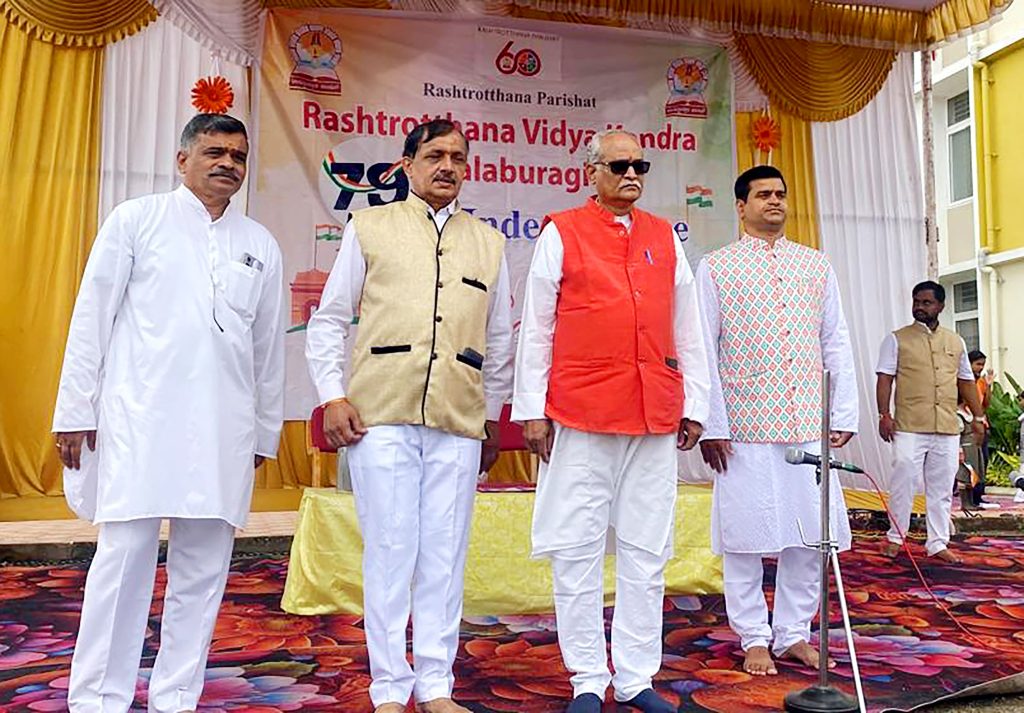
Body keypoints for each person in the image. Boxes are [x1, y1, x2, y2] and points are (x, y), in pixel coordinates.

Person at [53, 113, 285, 712]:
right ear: (182, 160)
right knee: (123, 561)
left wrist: (264, 433)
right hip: (139, 419)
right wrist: (75, 409)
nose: (228, 163)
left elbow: (267, 349)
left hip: (224, 428)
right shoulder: (136, 220)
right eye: (214, 152)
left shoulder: (259, 243)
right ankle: (97, 699)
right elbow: (91, 317)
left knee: (203, 571)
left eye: (238, 155)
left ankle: (176, 698)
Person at [305, 119, 513, 713]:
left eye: (457, 157)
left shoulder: (489, 242)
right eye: (434, 155)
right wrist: (332, 395)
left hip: (458, 420)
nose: (447, 166)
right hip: (381, 416)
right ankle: (390, 688)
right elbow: (329, 318)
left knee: (445, 554)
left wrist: (490, 417)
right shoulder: (369, 227)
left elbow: (500, 340)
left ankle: (437, 685)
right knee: (391, 550)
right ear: (407, 164)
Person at [512, 129, 710, 713]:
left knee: (647, 548)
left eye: (639, 166)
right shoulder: (562, 231)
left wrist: (696, 404)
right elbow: (537, 326)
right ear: (591, 172)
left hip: (653, 411)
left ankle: (635, 677)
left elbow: (688, 327)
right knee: (576, 548)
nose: (631, 175)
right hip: (582, 411)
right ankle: (587, 678)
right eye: (619, 165)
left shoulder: (663, 236)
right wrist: (531, 409)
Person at [697, 165, 859, 677]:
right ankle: (753, 637)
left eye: (781, 194)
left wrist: (843, 411)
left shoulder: (815, 265)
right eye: (763, 194)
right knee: (744, 538)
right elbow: (703, 347)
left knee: (810, 536)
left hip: (807, 423)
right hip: (743, 426)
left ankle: (792, 634)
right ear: (740, 206)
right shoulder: (716, 268)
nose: (775, 201)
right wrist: (711, 424)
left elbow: (836, 340)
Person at [876, 281, 985, 564]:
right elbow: (885, 379)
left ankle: (937, 542)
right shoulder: (897, 339)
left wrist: (978, 417)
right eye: (916, 302)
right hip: (909, 425)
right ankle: (895, 537)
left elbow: (966, 382)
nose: (919, 307)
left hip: (946, 427)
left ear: (940, 306)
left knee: (942, 487)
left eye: (926, 303)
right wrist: (884, 414)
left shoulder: (956, 341)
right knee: (903, 480)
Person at [968, 349, 991, 504]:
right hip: (968, 424)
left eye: (983, 364)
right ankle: (969, 496)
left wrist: (988, 385)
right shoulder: (964, 381)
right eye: (978, 364)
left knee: (983, 459)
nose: (981, 367)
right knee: (972, 460)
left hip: (982, 424)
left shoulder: (981, 382)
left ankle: (979, 494)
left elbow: (986, 404)